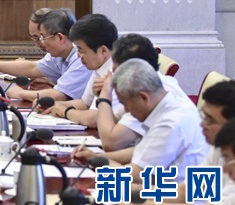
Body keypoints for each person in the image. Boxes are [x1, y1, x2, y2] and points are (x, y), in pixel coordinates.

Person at [117, 80, 235, 205]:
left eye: (210, 121)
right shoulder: (218, 148)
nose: (202, 125)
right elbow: (186, 192)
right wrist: (129, 191)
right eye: (203, 116)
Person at [78, 58, 207, 183]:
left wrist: (102, 162)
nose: (126, 111)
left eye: (126, 105)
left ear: (143, 97)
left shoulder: (170, 122)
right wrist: (96, 157)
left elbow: (135, 176)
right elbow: (143, 151)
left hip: (176, 193)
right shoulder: (168, 104)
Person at [0, 8, 92, 102]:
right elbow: (32, 68)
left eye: (42, 37)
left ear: (60, 38)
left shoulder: (81, 58)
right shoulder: (58, 55)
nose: (41, 43)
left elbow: (60, 95)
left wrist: (20, 93)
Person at [46, 13, 118, 123]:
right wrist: (53, 105)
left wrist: (65, 112)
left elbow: (94, 119)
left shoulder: (114, 74)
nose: (78, 55)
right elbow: (85, 104)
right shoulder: (99, 68)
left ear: (103, 51)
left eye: (81, 50)